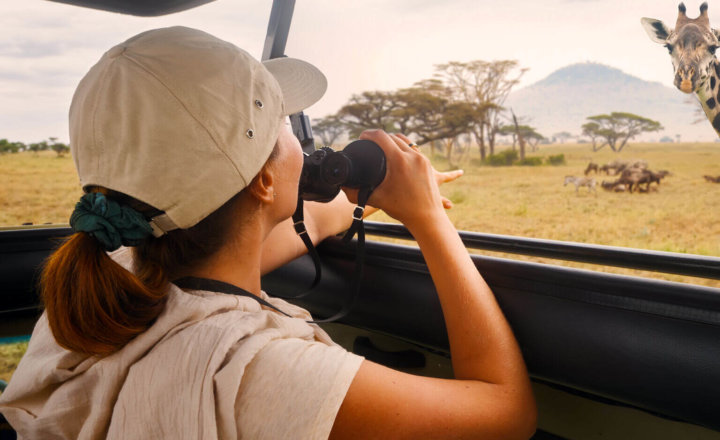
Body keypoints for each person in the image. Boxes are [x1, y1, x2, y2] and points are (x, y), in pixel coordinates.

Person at [0, 27, 536, 439]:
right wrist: (430, 221)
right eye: (283, 122)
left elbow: (304, 223)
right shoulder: (258, 368)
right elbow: (508, 414)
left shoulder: (107, 283)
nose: (299, 138)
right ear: (262, 179)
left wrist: (372, 194)